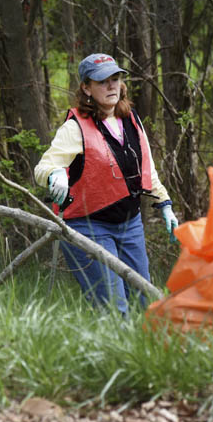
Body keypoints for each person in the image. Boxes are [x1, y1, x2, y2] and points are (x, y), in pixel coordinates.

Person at [34, 52, 179, 315]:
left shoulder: (131, 120)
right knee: (115, 309)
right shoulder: (75, 127)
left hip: (130, 223)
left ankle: (147, 355)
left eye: (116, 78)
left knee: (144, 301)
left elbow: (147, 168)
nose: (111, 85)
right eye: (102, 81)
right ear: (86, 88)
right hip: (89, 225)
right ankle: (115, 356)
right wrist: (55, 175)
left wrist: (164, 203)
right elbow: (43, 167)